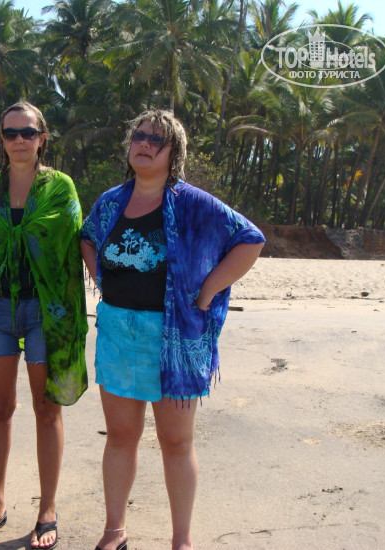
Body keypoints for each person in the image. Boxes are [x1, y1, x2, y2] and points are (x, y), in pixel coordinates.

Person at [81, 110, 265, 550]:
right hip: (118, 331)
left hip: (175, 336)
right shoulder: (111, 201)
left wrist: (207, 293)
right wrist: (101, 279)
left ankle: (181, 540)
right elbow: (87, 237)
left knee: (176, 441)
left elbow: (250, 239)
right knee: (120, 437)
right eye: (139, 136)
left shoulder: (192, 203)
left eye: (156, 140)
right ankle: (114, 530)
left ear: (173, 152)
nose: (144, 144)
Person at [0, 100, 87, 549]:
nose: (19, 140)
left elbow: (73, 246)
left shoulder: (60, 187)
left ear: (42, 138)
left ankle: (47, 508)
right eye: (10, 133)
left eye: (28, 132)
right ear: (2, 139)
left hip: (46, 309)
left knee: (47, 409)